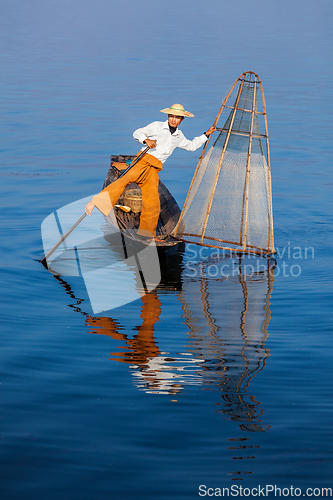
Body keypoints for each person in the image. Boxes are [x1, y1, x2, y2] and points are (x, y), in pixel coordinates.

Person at [85, 103, 216, 240]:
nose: (173, 119)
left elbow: (191, 146)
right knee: (122, 182)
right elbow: (137, 133)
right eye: (171, 116)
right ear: (168, 116)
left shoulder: (178, 136)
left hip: (154, 168)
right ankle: (94, 202)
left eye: (177, 117)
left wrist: (205, 135)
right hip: (143, 161)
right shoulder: (157, 126)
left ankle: (148, 235)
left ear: (182, 120)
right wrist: (145, 140)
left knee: (153, 201)